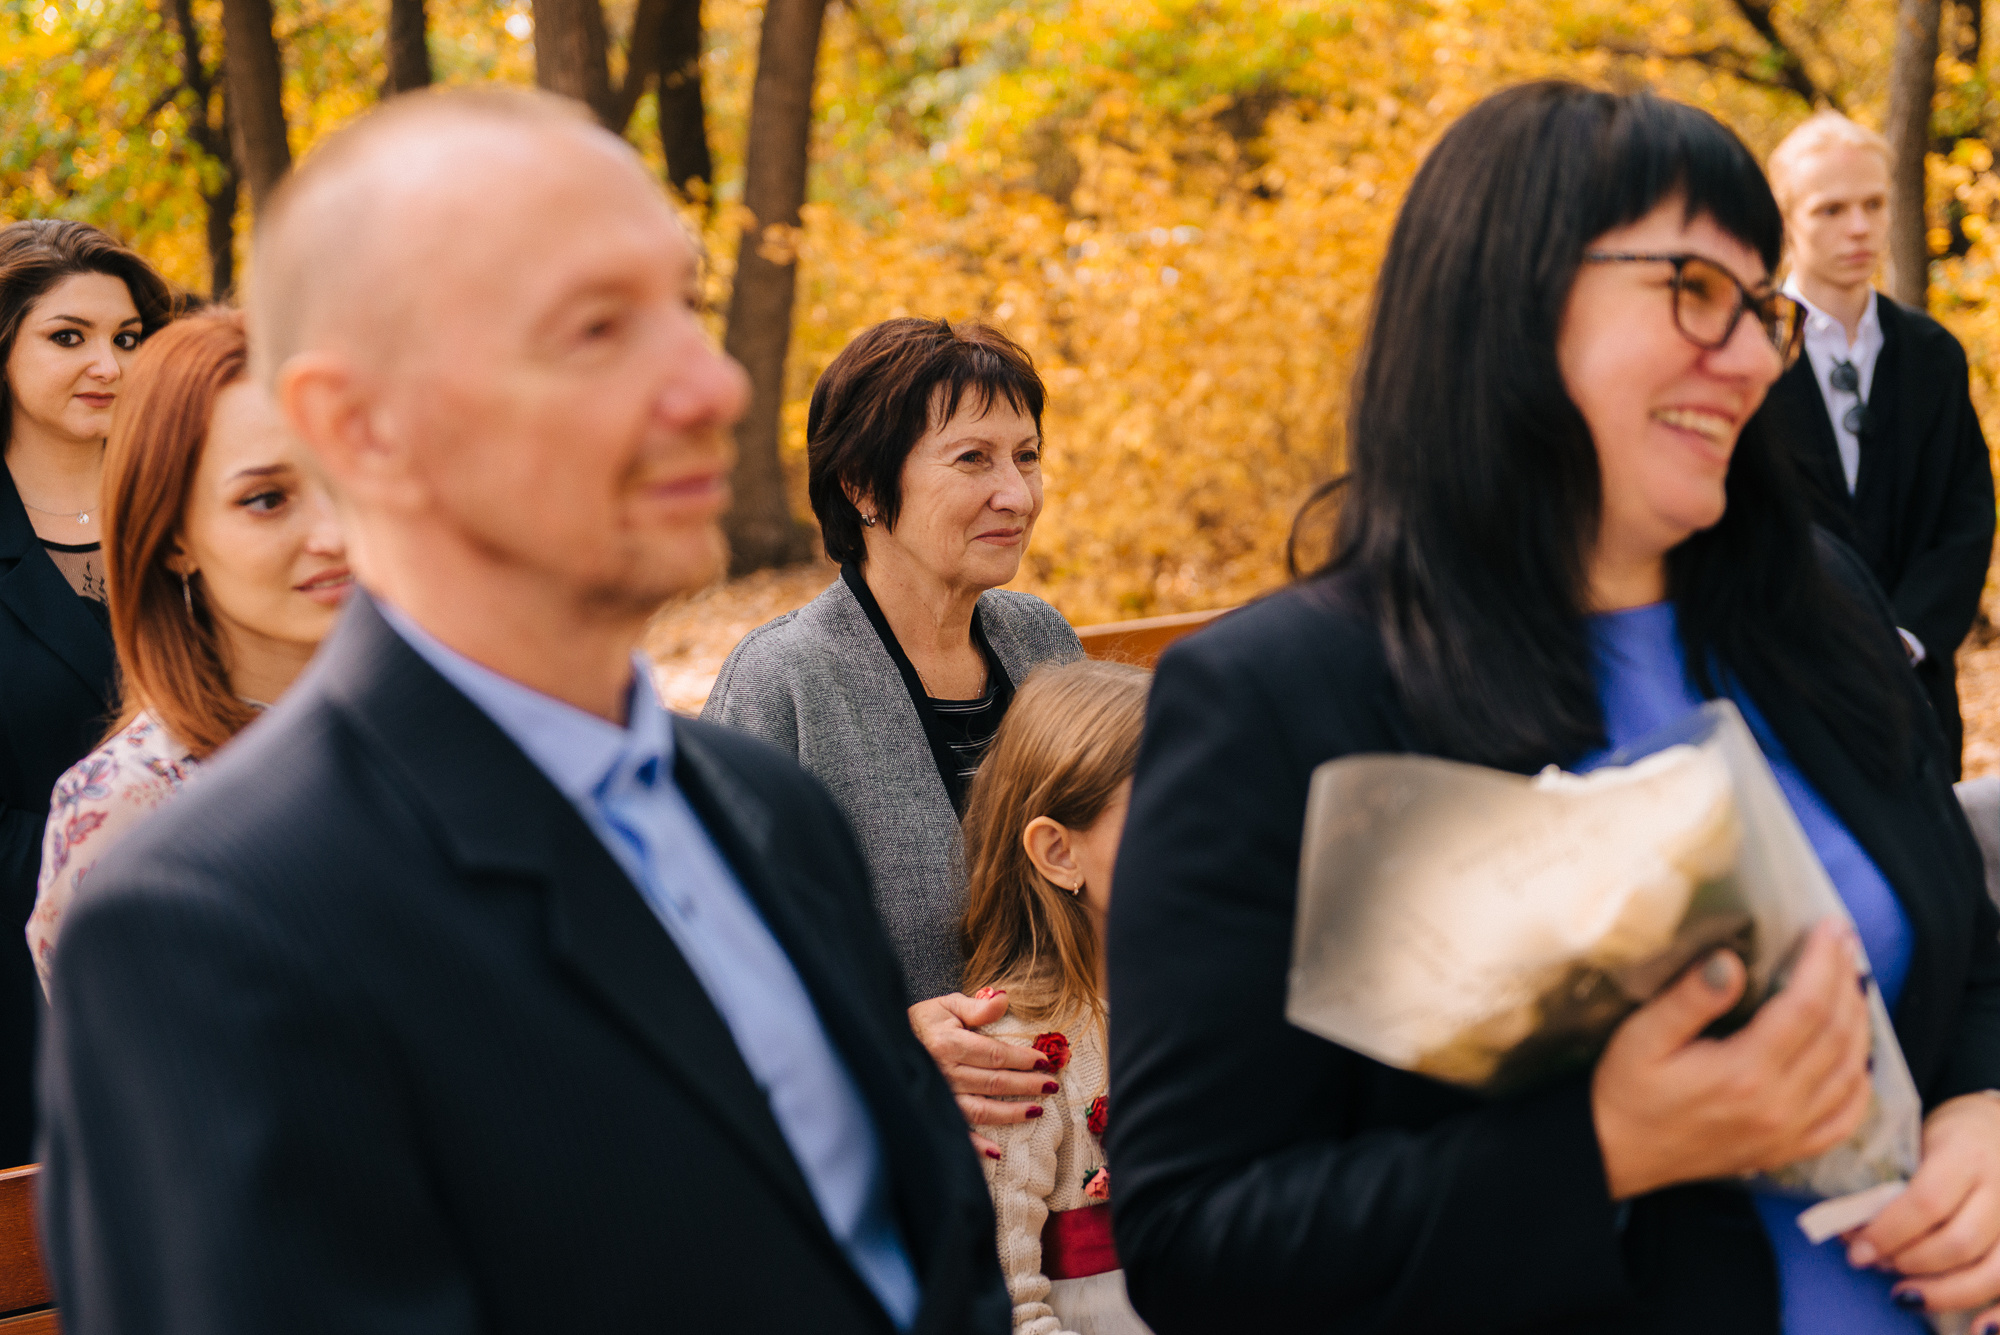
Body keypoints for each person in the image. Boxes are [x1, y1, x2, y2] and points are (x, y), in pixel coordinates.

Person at [39, 86, 1009, 1335]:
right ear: (358, 428)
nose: (713, 384)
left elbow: (929, 1262)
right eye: (596, 329)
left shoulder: (767, 807)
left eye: (686, 309)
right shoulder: (212, 927)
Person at [1106, 81, 2000, 1335]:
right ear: (1506, 298)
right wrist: (1602, 1151)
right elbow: (1195, 1241)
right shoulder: (1280, 702)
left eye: (1758, 309)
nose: (1753, 356)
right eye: (1693, 288)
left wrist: (1981, 1111)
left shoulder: (1818, 606)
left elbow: (1966, 955)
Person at [704, 318, 1083, 1156]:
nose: (1018, 494)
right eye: (973, 458)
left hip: (1076, 1136)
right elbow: (709, 960)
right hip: (887, 1145)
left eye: (1026, 456)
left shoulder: (1042, 640)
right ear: (863, 488)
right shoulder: (781, 680)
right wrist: (888, 1040)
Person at [28, 308, 351, 988]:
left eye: (342, 479)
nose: (334, 533)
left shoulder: (461, 717)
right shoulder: (128, 803)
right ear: (175, 538)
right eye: (266, 499)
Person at [0, 219, 172, 1168]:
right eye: (68, 337)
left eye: (128, 336)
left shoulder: (199, 508)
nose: (109, 363)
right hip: (24, 994)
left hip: (236, 941)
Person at [1756, 111, 1995, 777]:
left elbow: (1967, 515)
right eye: (1831, 209)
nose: (1859, 227)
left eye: (1873, 204)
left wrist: (1907, 637)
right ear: (1787, 218)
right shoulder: (1745, 352)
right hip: (1785, 689)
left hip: (1916, 694)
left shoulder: (1932, 354)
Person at [958, 659, 1153, 1335]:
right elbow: (1005, 1304)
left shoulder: (1210, 1002)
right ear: (1059, 853)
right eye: (1166, 812)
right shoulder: (1015, 1055)